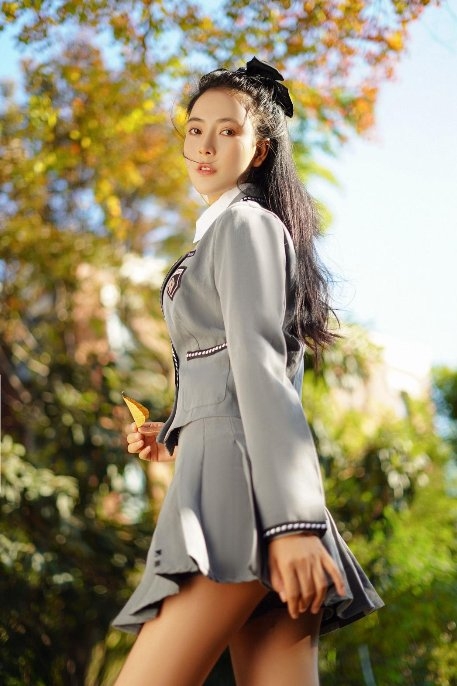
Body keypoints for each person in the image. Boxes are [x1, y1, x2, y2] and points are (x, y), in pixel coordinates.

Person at [112, 57, 383, 686]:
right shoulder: (223, 233)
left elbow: (262, 368)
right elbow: (232, 373)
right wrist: (174, 432)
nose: (205, 145)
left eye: (227, 130)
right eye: (195, 129)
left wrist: (292, 525)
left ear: (259, 150)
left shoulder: (245, 224)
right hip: (239, 487)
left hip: (239, 504)